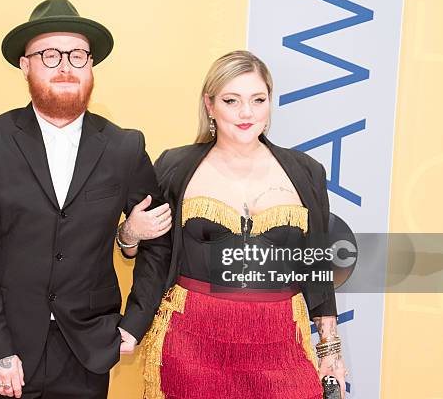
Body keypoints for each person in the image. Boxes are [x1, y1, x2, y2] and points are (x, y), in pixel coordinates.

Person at [0, 0, 171, 398]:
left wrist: (135, 323)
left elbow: (158, 238)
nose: (66, 66)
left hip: (86, 352)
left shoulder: (124, 146)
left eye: (77, 55)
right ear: (25, 65)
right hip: (4, 354)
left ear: (91, 64)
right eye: (50, 55)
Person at [122, 50, 347, 398]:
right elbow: (155, 257)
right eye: (232, 100)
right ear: (210, 105)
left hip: (281, 340)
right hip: (191, 343)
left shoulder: (306, 171)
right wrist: (129, 236)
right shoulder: (175, 166)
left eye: (258, 100)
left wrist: (330, 350)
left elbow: (314, 265)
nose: (247, 113)